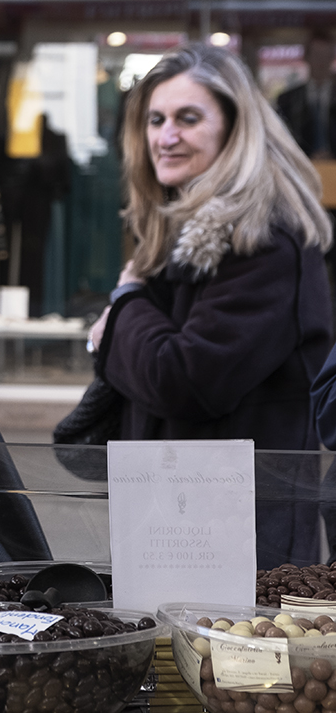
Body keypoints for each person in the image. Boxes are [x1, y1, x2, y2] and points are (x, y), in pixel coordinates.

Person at [87, 43, 332, 568]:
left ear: (234, 128)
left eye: (188, 118)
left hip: (242, 547)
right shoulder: (176, 233)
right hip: (174, 523)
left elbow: (183, 380)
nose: (165, 136)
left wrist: (125, 307)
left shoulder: (265, 241)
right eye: (155, 119)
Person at [277, 32, 336, 160]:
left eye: (326, 55)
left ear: (332, 57)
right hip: (300, 169)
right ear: (307, 57)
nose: (321, 61)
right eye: (317, 55)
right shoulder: (287, 100)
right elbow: (283, 140)